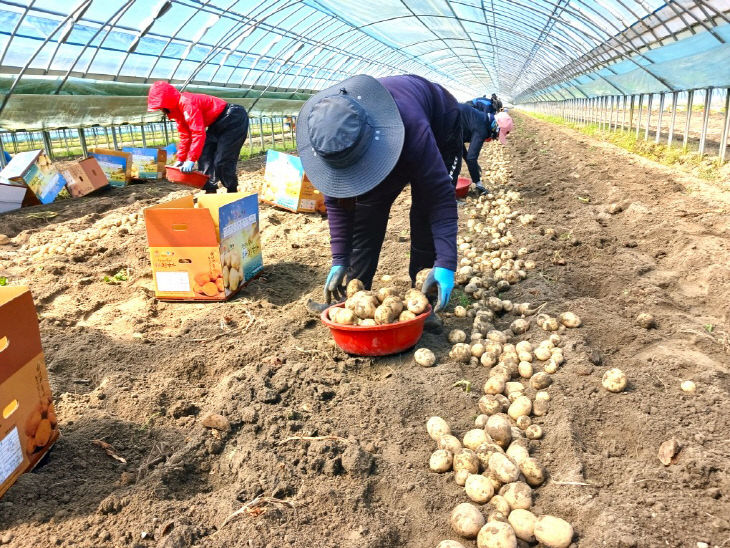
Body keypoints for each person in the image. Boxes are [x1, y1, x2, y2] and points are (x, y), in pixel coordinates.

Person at [297, 74, 462, 313]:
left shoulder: (413, 128)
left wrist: (447, 261)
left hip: (440, 127)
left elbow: (440, 197)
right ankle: (355, 299)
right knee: (367, 205)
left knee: (425, 209)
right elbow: (337, 201)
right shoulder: (326, 135)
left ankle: (426, 301)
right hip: (377, 138)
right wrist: (340, 258)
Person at [147, 81, 249, 193]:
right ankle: (210, 189)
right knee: (205, 154)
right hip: (216, 123)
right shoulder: (178, 111)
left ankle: (232, 190)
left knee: (222, 160)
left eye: (161, 106)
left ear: (167, 101)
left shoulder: (187, 103)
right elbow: (185, 136)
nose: (161, 110)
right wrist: (180, 159)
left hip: (233, 118)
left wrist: (191, 160)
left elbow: (198, 133)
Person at [459, 102, 499, 194]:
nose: (495, 139)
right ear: (495, 128)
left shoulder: (482, 118)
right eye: (497, 135)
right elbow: (471, 158)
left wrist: (472, 163)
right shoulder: (482, 129)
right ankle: (448, 197)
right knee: (453, 162)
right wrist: (478, 182)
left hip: (448, 120)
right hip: (444, 123)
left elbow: (459, 143)